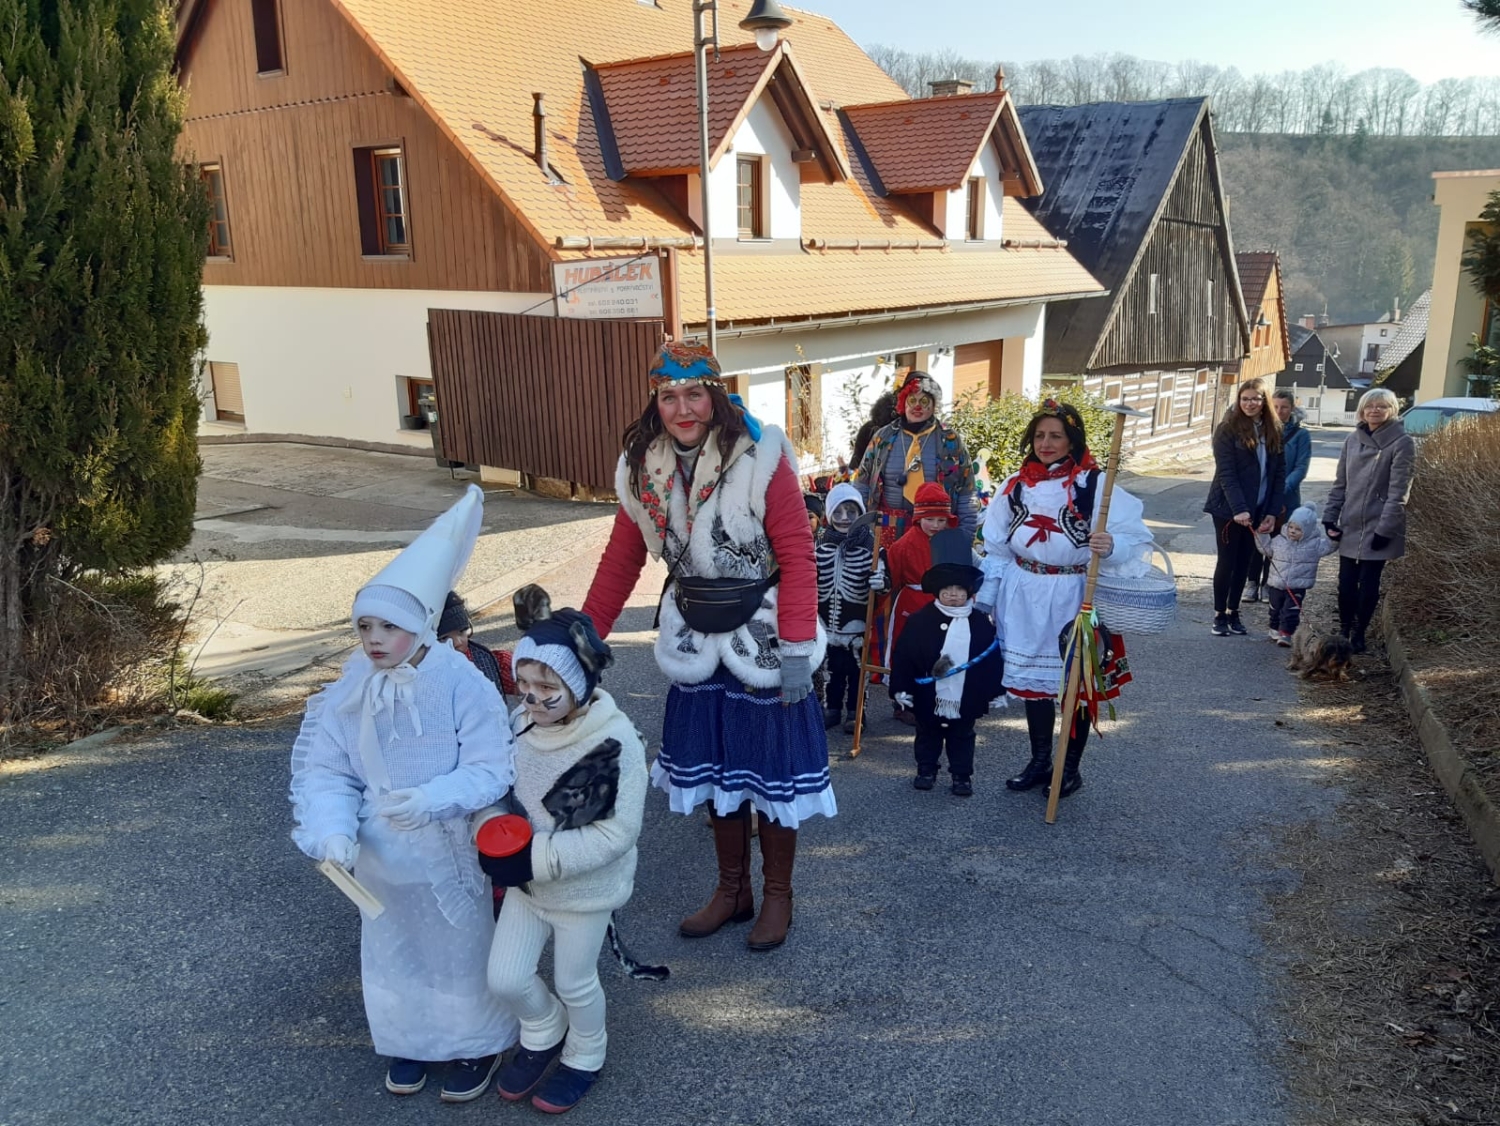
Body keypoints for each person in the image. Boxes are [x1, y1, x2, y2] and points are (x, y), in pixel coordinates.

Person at [581, 341, 832, 953]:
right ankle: (731, 890)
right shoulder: (643, 468)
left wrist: (797, 647)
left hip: (764, 633)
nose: (682, 409)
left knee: (770, 774)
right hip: (695, 634)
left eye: (694, 393)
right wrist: (583, 635)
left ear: (715, 395)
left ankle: (778, 896)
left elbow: (797, 555)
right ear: (656, 402)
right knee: (718, 772)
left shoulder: (761, 455)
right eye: (668, 396)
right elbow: (621, 559)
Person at [288, 485, 519, 1103]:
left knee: (458, 948)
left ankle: (474, 1042)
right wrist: (332, 828)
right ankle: (410, 1038)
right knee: (394, 951)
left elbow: (491, 766)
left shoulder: (460, 681)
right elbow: (329, 768)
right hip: (382, 856)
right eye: (365, 625)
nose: (374, 638)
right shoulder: (352, 685)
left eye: (389, 625)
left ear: (420, 625)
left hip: (447, 846)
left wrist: (432, 798)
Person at [482, 585, 647, 1114]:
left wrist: (533, 857)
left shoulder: (611, 746)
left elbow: (614, 834)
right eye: (524, 683)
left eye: (546, 686)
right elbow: (499, 786)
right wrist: (490, 826)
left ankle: (586, 1052)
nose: (531, 698)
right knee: (505, 977)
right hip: (528, 886)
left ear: (577, 685)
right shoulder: (522, 724)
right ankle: (543, 1028)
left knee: (575, 982)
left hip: (583, 890)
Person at [978, 401, 1152, 797]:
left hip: (1074, 594)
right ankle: (1040, 761)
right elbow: (997, 549)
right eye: (1040, 435)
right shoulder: (1015, 485)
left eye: (1055, 436)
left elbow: (1136, 540)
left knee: (1076, 683)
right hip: (1023, 593)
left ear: (1072, 440)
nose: (1046, 443)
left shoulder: (1095, 485)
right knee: (1034, 685)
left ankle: (1068, 767)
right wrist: (986, 601)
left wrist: (1112, 546)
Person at [889, 528, 1006, 796]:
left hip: (967, 695)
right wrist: (901, 689)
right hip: (928, 694)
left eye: (959, 589)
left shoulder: (980, 623)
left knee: (962, 736)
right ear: (937, 591)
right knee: (927, 733)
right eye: (947, 589)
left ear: (969, 592)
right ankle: (926, 769)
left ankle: (961, 776)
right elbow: (904, 657)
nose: (953, 594)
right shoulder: (920, 620)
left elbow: (990, 661)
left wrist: (996, 691)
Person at [1323, 387, 1416, 654]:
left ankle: (1360, 633)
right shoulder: (1352, 440)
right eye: (1370, 405)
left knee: (1368, 585)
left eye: (1382, 406)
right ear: (1362, 410)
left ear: (1392, 410)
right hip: (1351, 523)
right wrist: (1330, 517)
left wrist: (1385, 529)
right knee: (1345, 584)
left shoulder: (1402, 442)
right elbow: (1340, 483)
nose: (1375, 410)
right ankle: (1344, 630)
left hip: (1380, 525)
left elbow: (1399, 491)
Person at [854, 370, 977, 546]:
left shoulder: (950, 440)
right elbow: (862, 484)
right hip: (888, 530)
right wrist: (862, 528)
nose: (917, 407)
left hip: (936, 530)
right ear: (903, 403)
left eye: (924, 401)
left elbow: (967, 491)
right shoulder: (882, 437)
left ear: (933, 405)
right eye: (912, 400)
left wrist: (965, 535)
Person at [1204, 377, 1286, 637]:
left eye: (1255, 399)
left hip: (1259, 508)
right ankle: (1219, 614)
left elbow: (1278, 475)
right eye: (1245, 399)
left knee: (1244, 562)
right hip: (1228, 509)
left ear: (1264, 401)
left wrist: (1271, 512)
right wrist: (1239, 508)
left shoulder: (1274, 429)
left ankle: (1234, 611)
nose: (1250, 404)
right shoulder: (1227, 429)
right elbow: (1226, 473)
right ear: (1239, 401)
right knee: (1227, 562)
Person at [870, 482, 955, 725]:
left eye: (941, 520)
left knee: (940, 652)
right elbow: (892, 579)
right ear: (919, 518)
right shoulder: (904, 545)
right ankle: (903, 703)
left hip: (943, 606)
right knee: (907, 654)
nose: (936, 525)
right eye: (930, 520)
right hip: (912, 607)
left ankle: (935, 700)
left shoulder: (950, 541)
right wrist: (877, 601)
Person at [816, 483, 876, 733]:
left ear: (860, 513)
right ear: (829, 514)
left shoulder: (872, 546)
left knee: (857, 671)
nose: (844, 518)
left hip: (857, 624)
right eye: (838, 512)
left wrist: (881, 581)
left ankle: (856, 711)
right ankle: (832, 709)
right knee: (831, 671)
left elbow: (884, 584)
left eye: (851, 512)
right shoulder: (819, 545)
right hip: (826, 624)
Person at [1247, 390, 1311, 603]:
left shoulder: (1301, 436)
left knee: (1279, 544)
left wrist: (1279, 492)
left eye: (1284, 407)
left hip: (1287, 499)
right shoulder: (1260, 430)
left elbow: (1300, 468)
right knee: (1257, 540)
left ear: (1292, 409)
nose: (1279, 411)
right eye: (1275, 406)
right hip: (1260, 496)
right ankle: (1251, 582)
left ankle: (1269, 583)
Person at [1254, 504, 1339, 645]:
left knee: (1291, 610)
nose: (1293, 531)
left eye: (1298, 529)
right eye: (1291, 527)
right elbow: (1265, 549)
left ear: (1308, 530)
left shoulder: (1315, 544)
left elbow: (1329, 546)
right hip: (1276, 583)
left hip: (1297, 586)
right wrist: (1261, 534)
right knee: (1275, 608)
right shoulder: (1279, 540)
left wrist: (1335, 538)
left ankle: (1286, 633)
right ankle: (1274, 628)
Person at [438, 590, 515, 698]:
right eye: (444, 638)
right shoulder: (423, 675)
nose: (458, 642)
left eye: (462, 631)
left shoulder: (485, 660)